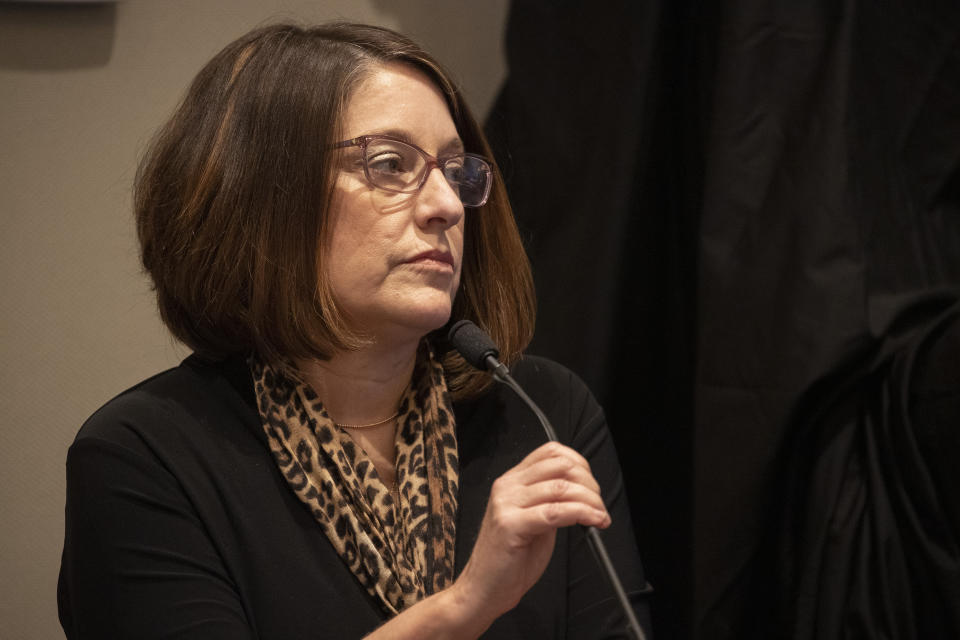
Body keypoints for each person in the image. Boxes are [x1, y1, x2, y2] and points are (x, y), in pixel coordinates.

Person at [57, 22, 652, 639]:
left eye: (455, 169)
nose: (446, 204)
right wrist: (463, 607)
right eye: (390, 164)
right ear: (266, 197)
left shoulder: (543, 414)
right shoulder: (145, 455)